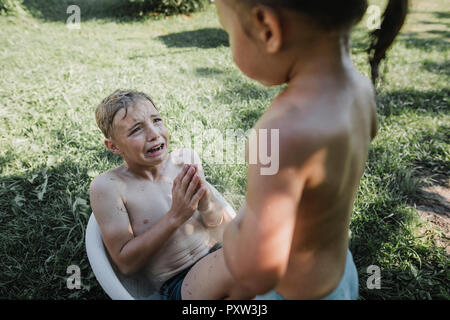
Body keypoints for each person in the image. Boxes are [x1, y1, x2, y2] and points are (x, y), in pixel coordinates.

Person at [215, 0, 408, 299]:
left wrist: (229, 231)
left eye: (228, 31)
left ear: (267, 28)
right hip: (341, 278)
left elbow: (256, 272)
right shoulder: (360, 90)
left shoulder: (281, 132)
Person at [89, 90, 254, 300]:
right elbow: (125, 264)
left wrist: (206, 204)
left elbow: (222, 230)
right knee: (243, 260)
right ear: (113, 146)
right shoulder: (110, 187)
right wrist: (175, 216)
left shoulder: (185, 160)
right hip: (180, 282)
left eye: (157, 120)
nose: (154, 134)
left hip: (220, 255)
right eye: (136, 130)